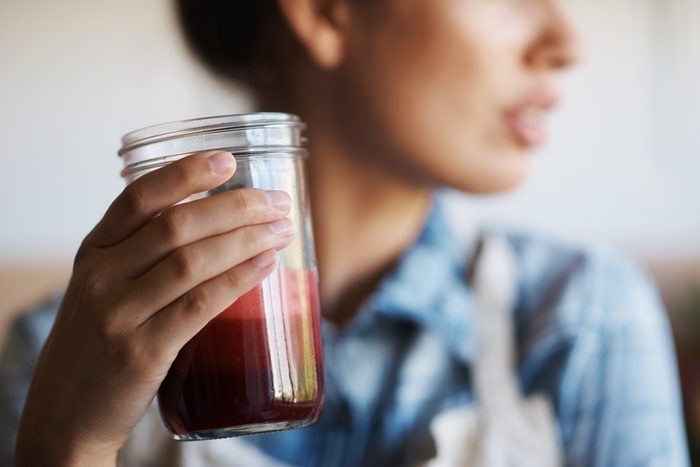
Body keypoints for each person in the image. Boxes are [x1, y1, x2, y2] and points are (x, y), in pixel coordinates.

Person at [0, 0, 690, 465]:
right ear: (325, 12)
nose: (566, 44)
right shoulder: (64, 355)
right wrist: (71, 442)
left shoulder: (584, 318)